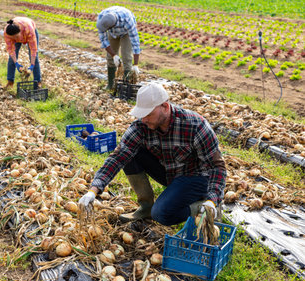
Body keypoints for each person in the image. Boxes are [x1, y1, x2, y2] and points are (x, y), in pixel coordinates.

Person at [79, 83, 227, 225]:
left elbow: (217, 167)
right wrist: (93, 190)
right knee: (130, 153)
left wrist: (212, 199)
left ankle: (205, 207)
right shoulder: (141, 126)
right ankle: (146, 207)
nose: (143, 119)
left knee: (161, 214)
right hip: (170, 173)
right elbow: (118, 157)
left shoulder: (195, 125)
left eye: (148, 114)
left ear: (165, 106)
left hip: (195, 177)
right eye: (141, 114)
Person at [96, 6, 141, 90]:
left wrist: (136, 64)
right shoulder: (101, 19)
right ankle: (111, 85)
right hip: (113, 34)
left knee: (127, 57)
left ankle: (126, 86)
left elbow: (135, 43)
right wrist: (114, 56)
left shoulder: (128, 21)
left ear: (113, 25)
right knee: (110, 58)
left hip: (126, 33)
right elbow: (104, 40)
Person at [4, 17, 41, 88]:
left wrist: (32, 65)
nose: (15, 39)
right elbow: (11, 50)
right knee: (11, 59)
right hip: (17, 32)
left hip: (29, 30)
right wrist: (16, 63)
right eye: (13, 38)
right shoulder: (7, 33)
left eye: (16, 37)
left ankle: (38, 82)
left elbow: (33, 49)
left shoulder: (29, 30)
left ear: (20, 32)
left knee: (34, 57)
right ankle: (10, 81)